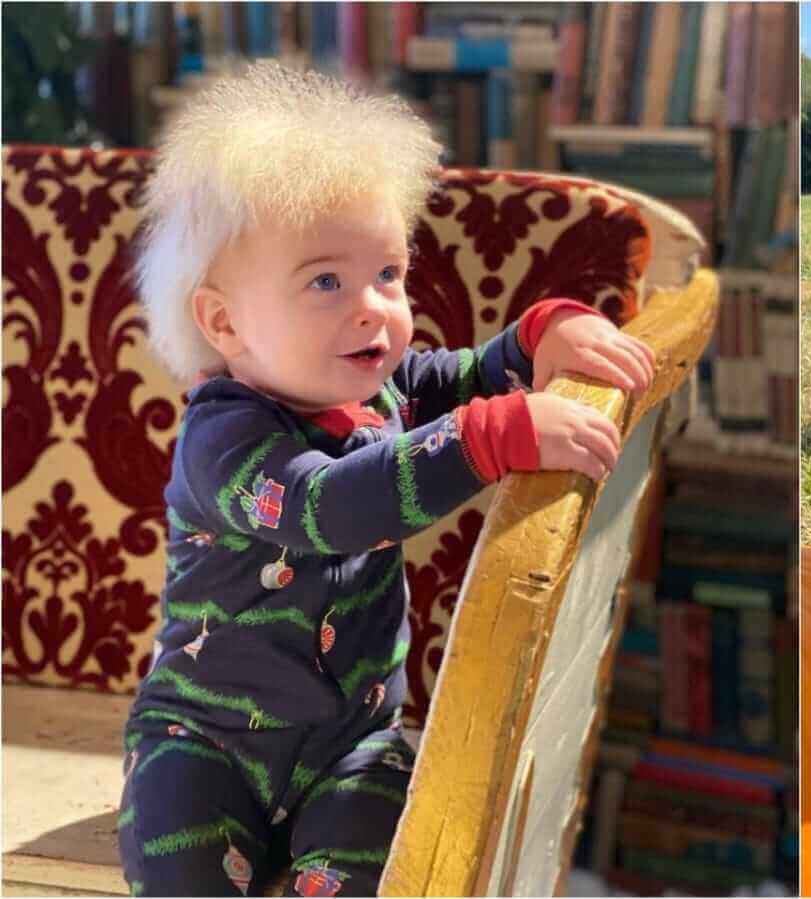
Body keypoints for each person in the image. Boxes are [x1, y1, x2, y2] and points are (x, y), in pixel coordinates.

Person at [120, 61, 655, 895]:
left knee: (374, 861)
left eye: (389, 274)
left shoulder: (384, 387)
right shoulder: (221, 437)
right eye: (325, 281)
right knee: (178, 860)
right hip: (203, 738)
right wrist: (486, 438)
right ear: (225, 322)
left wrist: (542, 336)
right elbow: (327, 505)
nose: (373, 305)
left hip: (353, 744)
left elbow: (480, 375)